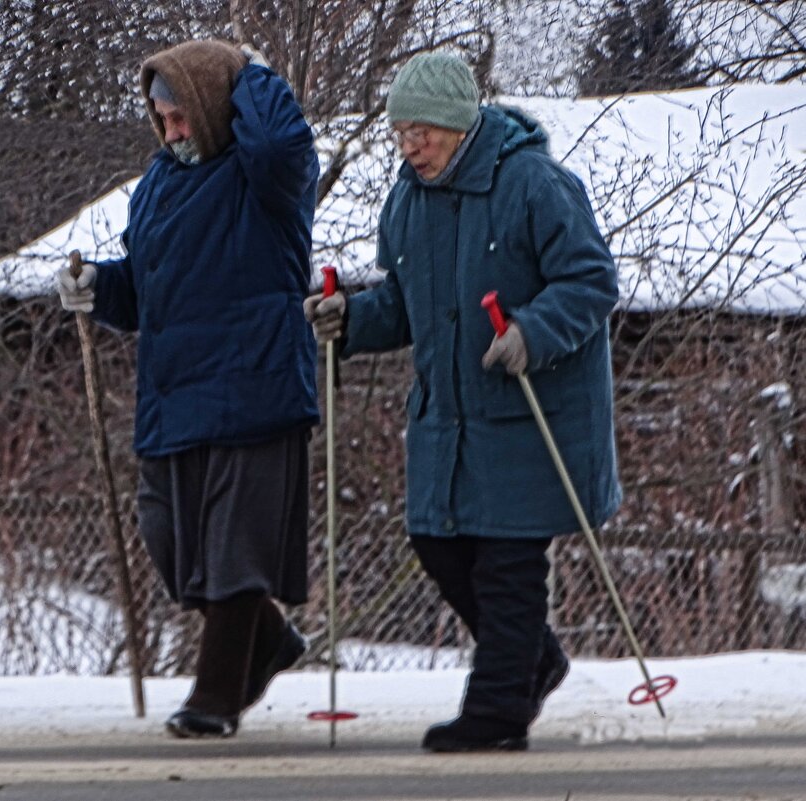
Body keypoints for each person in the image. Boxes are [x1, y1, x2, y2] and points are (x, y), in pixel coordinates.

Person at [305, 52, 622, 752]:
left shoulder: (534, 183)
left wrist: (532, 334)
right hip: (447, 418)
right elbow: (405, 302)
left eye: (422, 131)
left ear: (460, 125)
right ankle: (535, 660)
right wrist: (349, 317)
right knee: (437, 541)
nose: (410, 145)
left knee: (508, 564)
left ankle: (497, 710)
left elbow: (592, 281)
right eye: (400, 133)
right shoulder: (408, 200)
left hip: (529, 414)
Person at [57, 40, 319, 739]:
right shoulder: (157, 186)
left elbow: (279, 143)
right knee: (172, 541)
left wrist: (254, 75)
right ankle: (269, 637)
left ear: (213, 107)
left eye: (181, 115)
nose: (171, 130)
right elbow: (147, 291)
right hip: (174, 396)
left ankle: (215, 698)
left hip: (256, 386)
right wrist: (98, 289)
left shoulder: (266, 178)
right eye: (161, 117)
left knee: (235, 554)